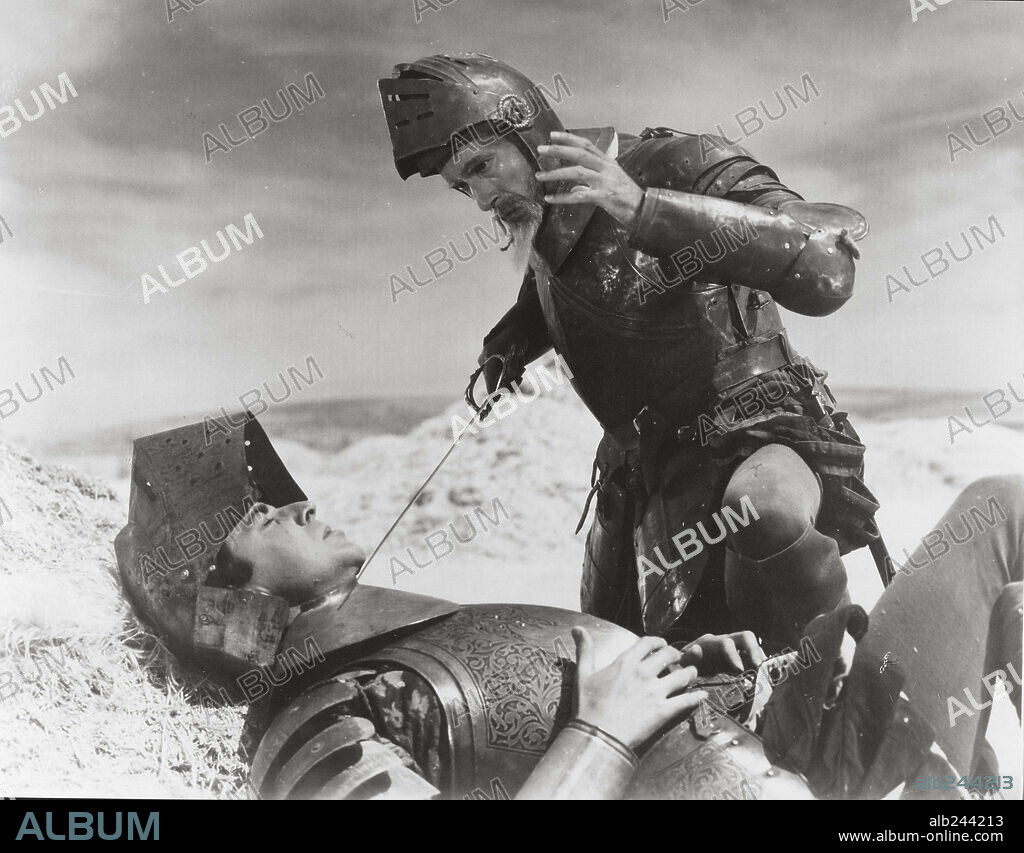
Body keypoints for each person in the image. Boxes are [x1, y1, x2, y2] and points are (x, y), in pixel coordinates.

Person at [115, 414, 1020, 800]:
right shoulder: (307, 720)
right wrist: (608, 734)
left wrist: (711, 683)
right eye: (266, 515)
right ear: (226, 595)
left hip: (792, 752)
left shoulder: (402, 636)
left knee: (997, 507)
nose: (303, 502)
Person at [378, 53, 887, 650]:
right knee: (618, 656)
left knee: (762, 511)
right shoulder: (549, 220)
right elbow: (570, 288)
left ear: (529, 133)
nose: (481, 196)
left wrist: (643, 207)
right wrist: (507, 344)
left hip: (755, 432)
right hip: (645, 477)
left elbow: (827, 267)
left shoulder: (675, 162)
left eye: (482, 167)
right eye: (463, 185)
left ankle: (841, 687)